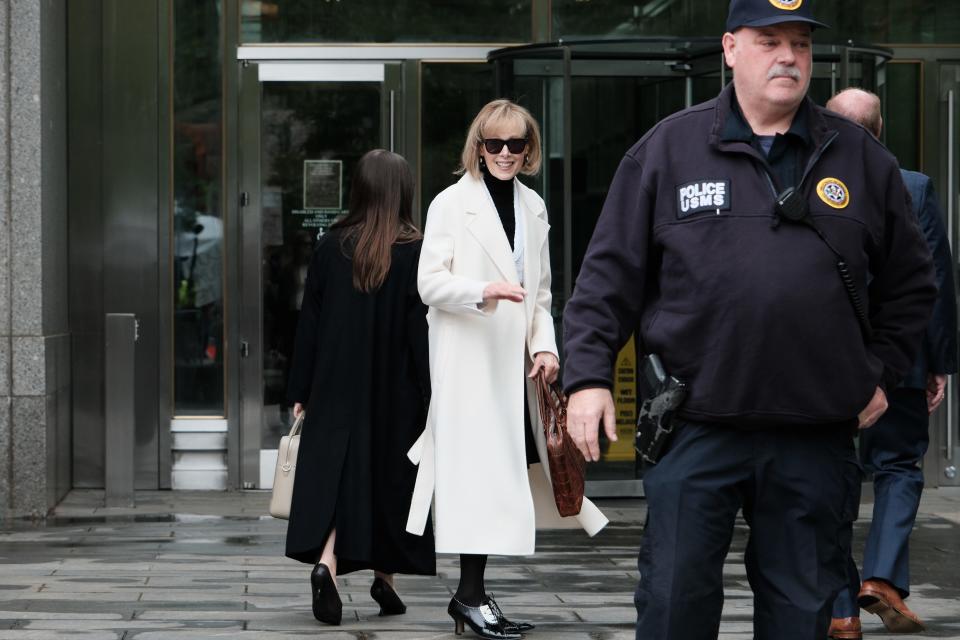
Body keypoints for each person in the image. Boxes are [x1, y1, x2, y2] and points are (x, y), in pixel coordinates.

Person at [561, 0, 937, 638]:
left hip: (813, 434)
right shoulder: (668, 149)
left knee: (802, 613)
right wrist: (588, 377)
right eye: (769, 41)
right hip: (695, 425)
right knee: (675, 604)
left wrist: (880, 373)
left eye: (800, 43)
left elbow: (912, 284)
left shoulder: (860, 160)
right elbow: (607, 276)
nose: (788, 56)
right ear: (731, 47)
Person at [406, 99, 608, 639]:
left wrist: (546, 346)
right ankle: (470, 597)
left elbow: (540, 293)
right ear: (477, 147)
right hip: (469, 360)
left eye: (514, 144)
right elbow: (428, 284)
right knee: (479, 478)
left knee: (501, 478)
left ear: (528, 149)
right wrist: (483, 292)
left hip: (516, 366)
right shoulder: (450, 204)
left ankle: (472, 596)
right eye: (493, 144)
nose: (503, 153)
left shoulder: (534, 206)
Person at [825, 88, 958, 640]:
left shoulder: (807, 185)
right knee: (900, 466)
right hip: (895, 358)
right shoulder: (914, 187)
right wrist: (937, 360)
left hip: (823, 362)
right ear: (881, 131)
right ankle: (880, 580)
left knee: (829, 480)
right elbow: (931, 281)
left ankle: (841, 609)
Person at [285, 149, 435, 626]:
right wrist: (432, 389)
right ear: (404, 192)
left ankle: (329, 565)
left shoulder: (332, 246)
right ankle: (384, 577)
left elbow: (309, 323)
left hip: (335, 385)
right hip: (397, 391)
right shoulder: (415, 250)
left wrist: (301, 388)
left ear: (360, 189)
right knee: (392, 479)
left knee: (341, 478)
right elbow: (422, 329)